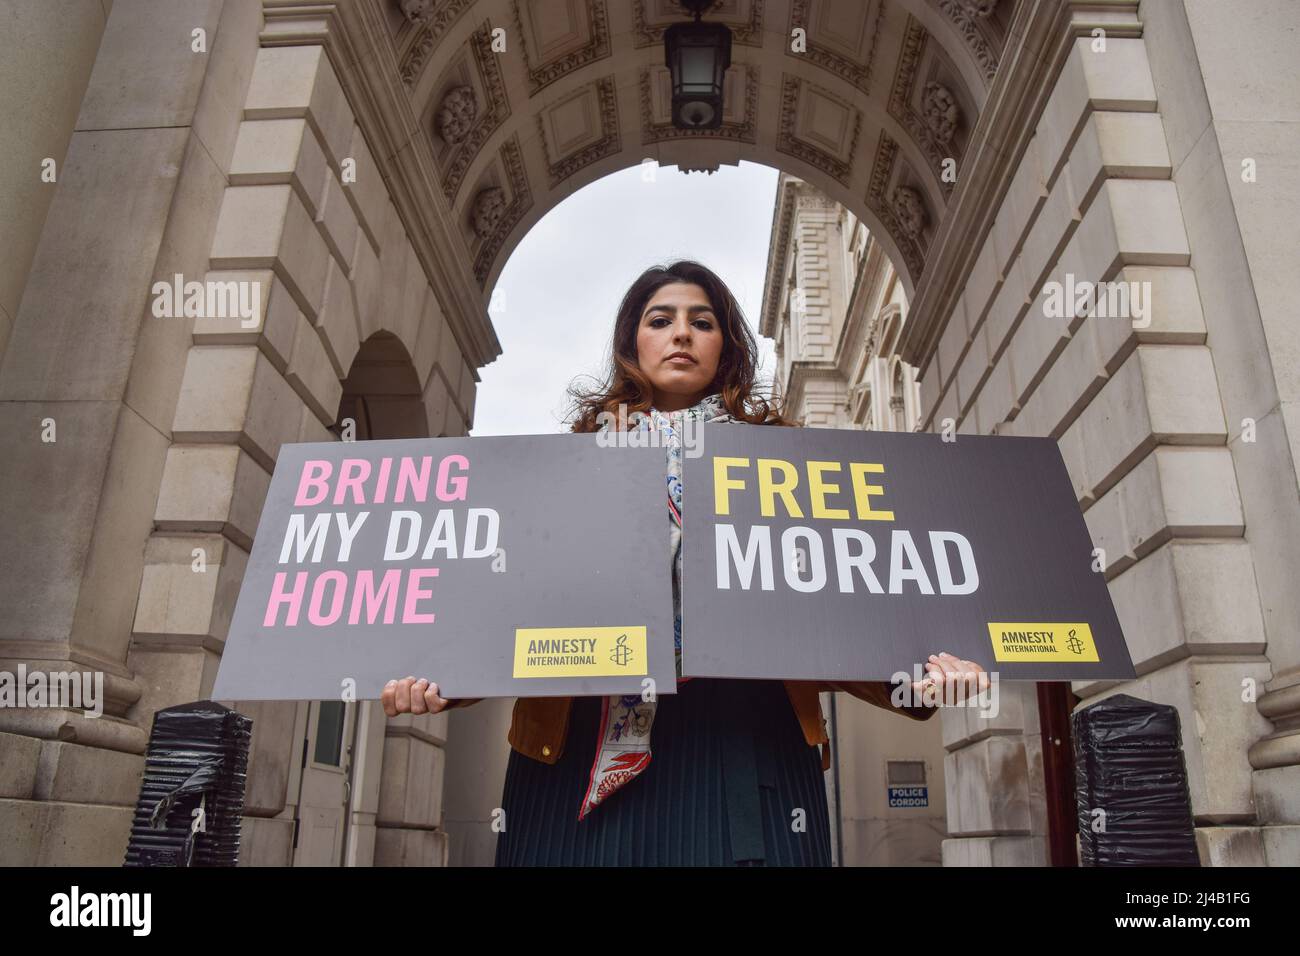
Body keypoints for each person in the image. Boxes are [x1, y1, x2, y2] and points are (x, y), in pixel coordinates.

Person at [381, 260, 988, 866]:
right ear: (632, 342)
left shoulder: (785, 463)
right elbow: (510, 599)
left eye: (702, 321)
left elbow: (835, 602)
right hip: (573, 757)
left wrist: (914, 670)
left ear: (725, 347)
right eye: (660, 319)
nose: (681, 334)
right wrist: (440, 676)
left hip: (748, 748)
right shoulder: (566, 461)